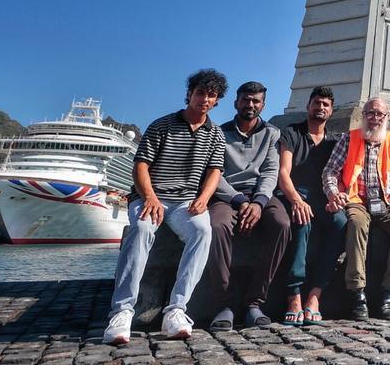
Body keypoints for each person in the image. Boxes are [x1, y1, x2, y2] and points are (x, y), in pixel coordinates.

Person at [103, 68, 228, 344]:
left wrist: (204, 198)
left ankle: (176, 310)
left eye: (211, 95)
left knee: (202, 232)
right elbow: (140, 166)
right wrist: (149, 197)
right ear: (189, 94)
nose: (205, 99)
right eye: (200, 93)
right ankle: (121, 312)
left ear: (217, 100)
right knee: (141, 230)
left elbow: (214, 171)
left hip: (185, 202)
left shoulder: (216, 135)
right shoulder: (162, 125)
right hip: (149, 197)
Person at [322, 96, 390, 320]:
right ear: (363, 115)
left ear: (387, 117)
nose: (375, 118)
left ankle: (388, 293)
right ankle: (358, 293)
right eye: (370, 113)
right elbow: (330, 171)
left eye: (379, 114)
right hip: (357, 200)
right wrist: (333, 193)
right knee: (356, 224)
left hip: (386, 202)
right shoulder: (349, 138)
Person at [202, 81, 291, 330]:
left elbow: (271, 171)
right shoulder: (219, 133)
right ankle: (224, 304)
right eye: (246, 100)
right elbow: (215, 174)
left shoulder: (272, 133)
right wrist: (240, 201)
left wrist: (259, 203)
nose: (250, 104)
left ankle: (255, 302)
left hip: (261, 195)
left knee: (282, 224)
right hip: (228, 197)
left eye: (256, 101)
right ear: (236, 102)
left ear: (263, 105)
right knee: (216, 226)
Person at [276, 86, 347, 326]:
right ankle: (294, 295)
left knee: (340, 223)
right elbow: (283, 173)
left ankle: (315, 295)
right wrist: (297, 200)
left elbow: (340, 175)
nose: (320, 107)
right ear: (308, 106)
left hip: (322, 196)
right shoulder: (292, 132)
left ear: (332, 110)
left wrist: (336, 198)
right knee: (301, 221)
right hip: (294, 192)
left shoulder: (335, 140)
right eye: (317, 103)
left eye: (326, 105)